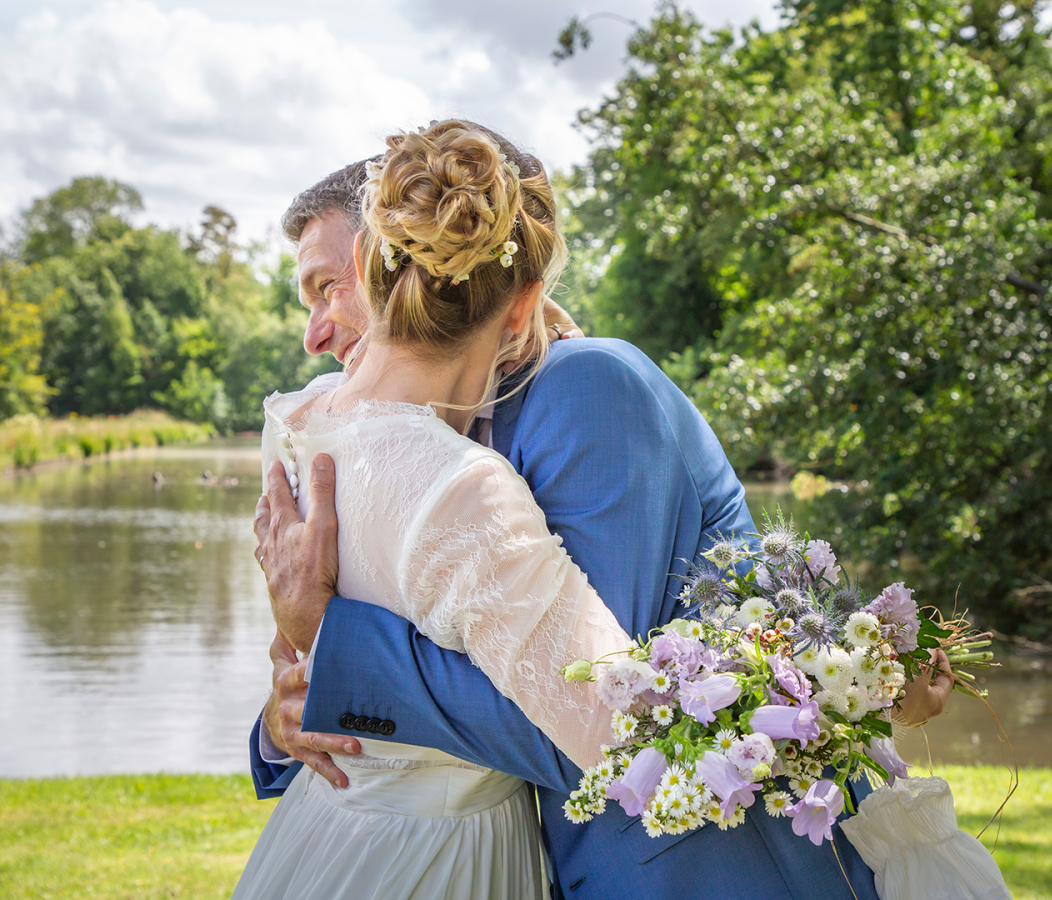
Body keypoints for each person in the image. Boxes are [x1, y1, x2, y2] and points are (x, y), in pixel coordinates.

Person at [250, 128, 956, 899]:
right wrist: (285, 719)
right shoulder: (344, 434)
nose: (316, 332)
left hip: (699, 872)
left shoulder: (586, 389)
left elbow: (587, 719)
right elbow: (324, 682)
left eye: (327, 288)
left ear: (390, 260)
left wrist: (334, 645)